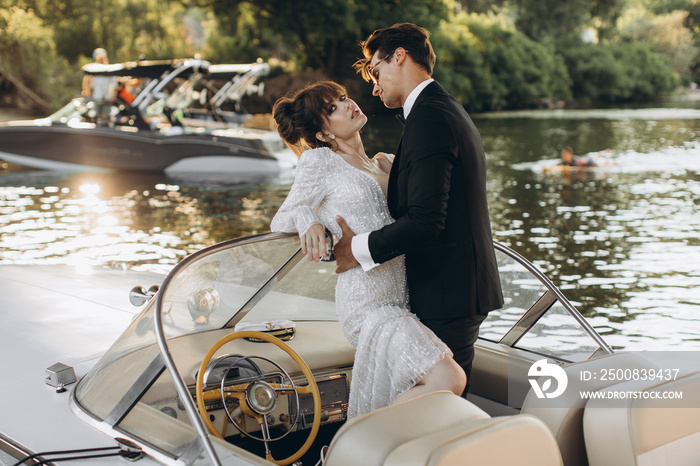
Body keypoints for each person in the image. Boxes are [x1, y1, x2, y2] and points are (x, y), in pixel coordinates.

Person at [270, 81, 466, 418]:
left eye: (343, 98)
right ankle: (356, 442)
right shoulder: (319, 162)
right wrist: (308, 218)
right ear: (321, 134)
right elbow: (280, 219)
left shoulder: (386, 162)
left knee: (421, 390)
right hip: (365, 303)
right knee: (449, 377)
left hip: (403, 298)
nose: (348, 105)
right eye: (332, 108)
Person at [333, 23, 504, 396]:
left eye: (375, 71)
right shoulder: (441, 108)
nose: (374, 86)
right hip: (455, 286)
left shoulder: (429, 117)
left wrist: (355, 249)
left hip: (448, 289)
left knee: (441, 406)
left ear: (399, 56)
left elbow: (427, 220)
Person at [82, 48, 117, 126]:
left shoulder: (110, 71)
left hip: (107, 97)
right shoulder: (95, 72)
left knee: (107, 116)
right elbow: (91, 85)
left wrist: (113, 95)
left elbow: (114, 85)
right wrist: (89, 94)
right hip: (97, 97)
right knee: (98, 116)